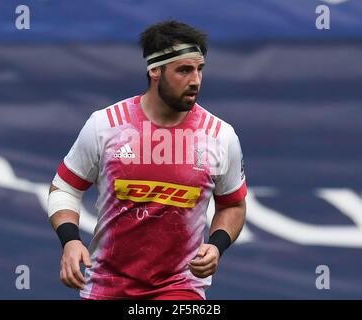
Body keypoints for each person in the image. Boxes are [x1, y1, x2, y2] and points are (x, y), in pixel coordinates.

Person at [47, 20, 247, 300]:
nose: (196, 81)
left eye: (200, 69)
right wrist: (70, 241)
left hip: (180, 287)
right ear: (155, 70)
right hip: (105, 285)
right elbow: (65, 188)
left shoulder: (219, 136)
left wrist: (216, 246)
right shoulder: (106, 125)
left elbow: (232, 205)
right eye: (184, 70)